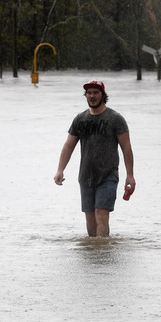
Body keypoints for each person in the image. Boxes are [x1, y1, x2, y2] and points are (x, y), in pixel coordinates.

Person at [54, 80, 135, 237]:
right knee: (90, 221)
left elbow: (126, 148)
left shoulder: (115, 119)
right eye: (89, 93)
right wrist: (60, 169)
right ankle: (94, 255)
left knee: (101, 214)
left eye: (96, 92)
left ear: (103, 95)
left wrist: (130, 176)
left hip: (108, 175)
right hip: (85, 176)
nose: (92, 96)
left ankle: (103, 253)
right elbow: (69, 145)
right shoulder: (80, 119)